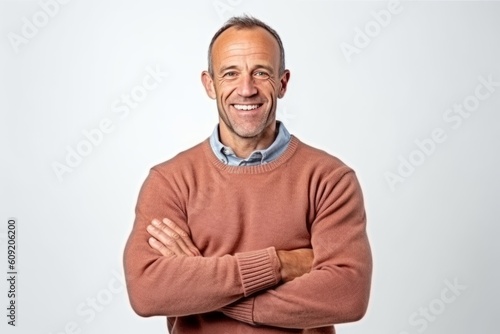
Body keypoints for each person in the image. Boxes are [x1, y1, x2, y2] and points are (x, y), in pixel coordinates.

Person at [123, 15, 372, 334]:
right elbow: (147, 291)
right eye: (230, 73)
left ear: (282, 83)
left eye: (261, 73)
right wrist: (281, 264)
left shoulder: (329, 179)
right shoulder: (169, 181)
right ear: (209, 84)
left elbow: (347, 296)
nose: (246, 89)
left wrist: (205, 287)